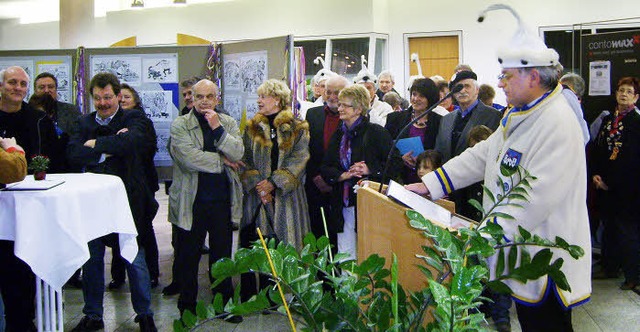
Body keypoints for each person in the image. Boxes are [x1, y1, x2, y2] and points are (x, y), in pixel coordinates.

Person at [406, 5, 591, 330]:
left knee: (549, 325)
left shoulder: (557, 121)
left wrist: (483, 234)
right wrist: (430, 184)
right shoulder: (519, 113)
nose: (501, 83)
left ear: (533, 76)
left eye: (507, 76)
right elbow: (483, 155)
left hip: (546, 254)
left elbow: (537, 196)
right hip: (520, 248)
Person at [67, 72, 157, 332]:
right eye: (97, 98)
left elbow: (134, 142)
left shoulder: (135, 118)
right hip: (91, 205)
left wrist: (96, 144)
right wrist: (111, 146)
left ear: (119, 96)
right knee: (92, 259)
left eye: (108, 97)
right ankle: (93, 315)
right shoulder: (83, 122)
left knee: (134, 258)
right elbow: (73, 153)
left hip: (126, 202)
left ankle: (145, 314)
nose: (103, 103)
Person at [168, 79, 244, 320]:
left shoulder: (228, 123)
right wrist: (222, 161)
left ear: (217, 99)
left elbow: (238, 153)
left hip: (221, 201)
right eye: (198, 96)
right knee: (188, 257)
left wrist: (217, 129)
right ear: (191, 98)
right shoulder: (180, 125)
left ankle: (224, 305)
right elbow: (188, 158)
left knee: (222, 256)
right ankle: (187, 307)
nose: (203, 101)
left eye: (208, 96)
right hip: (191, 201)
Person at [0, 66, 59, 332]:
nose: (18, 88)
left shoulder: (38, 120)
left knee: (22, 272)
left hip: (27, 207)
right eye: (12, 82)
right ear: (1, 85)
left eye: (23, 84)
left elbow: (52, 161)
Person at [240, 79, 311, 299]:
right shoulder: (251, 127)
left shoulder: (298, 127)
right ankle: (258, 296)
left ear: (277, 99)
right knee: (257, 245)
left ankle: (289, 295)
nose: (259, 101)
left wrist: (274, 183)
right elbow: (244, 159)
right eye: (259, 96)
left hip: (287, 199)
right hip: (256, 199)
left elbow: (300, 159)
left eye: (263, 96)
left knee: (287, 244)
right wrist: (258, 185)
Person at [320, 84, 401, 260]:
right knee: (345, 255)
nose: (339, 108)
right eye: (339, 104)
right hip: (343, 204)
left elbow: (395, 163)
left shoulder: (376, 132)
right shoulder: (339, 135)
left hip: (369, 204)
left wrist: (370, 169)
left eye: (344, 105)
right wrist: (343, 175)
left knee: (370, 253)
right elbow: (325, 167)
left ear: (358, 109)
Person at [108, 83, 161, 291]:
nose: (122, 101)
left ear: (136, 101)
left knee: (144, 229)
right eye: (119, 97)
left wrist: (124, 139)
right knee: (117, 227)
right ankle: (118, 275)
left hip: (142, 183)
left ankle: (152, 273)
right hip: (118, 183)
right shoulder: (111, 122)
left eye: (127, 97)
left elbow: (146, 149)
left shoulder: (143, 122)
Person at [591, 77, 640, 291]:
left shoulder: (636, 122)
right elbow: (599, 148)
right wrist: (596, 175)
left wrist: (611, 182)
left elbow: (631, 157)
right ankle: (609, 266)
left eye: (629, 91)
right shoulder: (608, 119)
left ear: (636, 97)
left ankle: (633, 276)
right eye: (621, 90)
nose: (624, 94)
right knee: (609, 228)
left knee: (627, 231)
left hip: (627, 187)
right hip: (604, 185)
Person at [305, 75, 350, 252]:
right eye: (328, 92)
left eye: (336, 93)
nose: (331, 97)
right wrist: (316, 176)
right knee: (318, 235)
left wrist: (334, 179)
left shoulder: (352, 116)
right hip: (315, 184)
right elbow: (306, 150)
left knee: (341, 238)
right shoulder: (312, 114)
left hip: (342, 185)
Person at [434, 70, 501, 163]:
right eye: (458, 87)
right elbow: (439, 151)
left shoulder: (493, 116)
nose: (462, 91)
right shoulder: (446, 119)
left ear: (477, 90)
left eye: (467, 86)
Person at [385, 78, 442, 184]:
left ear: (431, 99)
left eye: (421, 96)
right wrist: (400, 158)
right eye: (414, 94)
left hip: (428, 180)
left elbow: (440, 152)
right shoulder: (395, 119)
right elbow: (385, 148)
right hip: (400, 177)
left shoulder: (440, 122)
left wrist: (424, 161)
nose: (416, 99)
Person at [354, 56, 393, 127]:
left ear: (375, 90)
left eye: (368, 88)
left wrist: (368, 108)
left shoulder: (385, 108)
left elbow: (383, 128)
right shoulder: (349, 107)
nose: (365, 91)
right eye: (361, 88)